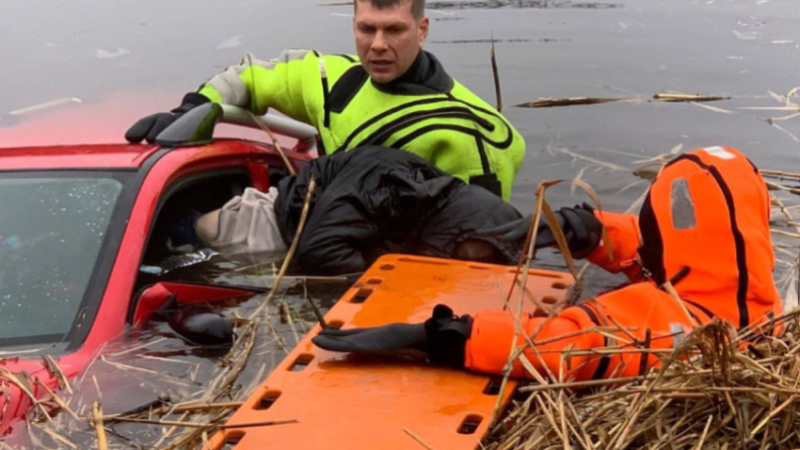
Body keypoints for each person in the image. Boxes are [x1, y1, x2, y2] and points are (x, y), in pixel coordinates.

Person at [312, 146, 785, 382]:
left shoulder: (668, 325)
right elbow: (678, 253)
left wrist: (436, 336)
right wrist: (589, 230)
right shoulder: (756, 300)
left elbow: (562, 344)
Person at [125, 0, 526, 200]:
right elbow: (248, 79)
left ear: (422, 30)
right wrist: (193, 106)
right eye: (366, 29)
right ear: (353, 23)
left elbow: (477, 246)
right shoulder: (330, 79)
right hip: (329, 221)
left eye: (394, 30)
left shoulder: (474, 134)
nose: (378, 45)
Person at [184, 145, 528, 275]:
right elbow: (318, 251)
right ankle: (179, 227)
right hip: (271, 227)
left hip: (325, 215)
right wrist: (388, 275)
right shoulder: (380, 188)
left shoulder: (433, 199)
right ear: (456, 230)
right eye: (468, 256)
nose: (466, 266)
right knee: (201, 230)